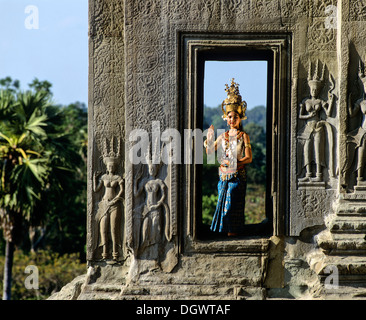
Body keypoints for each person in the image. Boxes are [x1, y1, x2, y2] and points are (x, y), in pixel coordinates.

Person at [205, 78, 252, 236]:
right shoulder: (223, 136)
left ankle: (233, 232)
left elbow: (249, 158)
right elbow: (210, 153)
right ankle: (222, 232)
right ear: (226, 119)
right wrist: (210, 139)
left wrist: (236, 162)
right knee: (222, 204)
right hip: (223, 176)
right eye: (230, 117)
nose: (232, 120)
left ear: (240, 119)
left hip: (237, 176)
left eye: (235, 117)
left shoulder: (243, 136)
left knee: (232, 203)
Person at [93, 156, 124, 260]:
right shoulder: (103, 177)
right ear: (107, 167)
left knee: (114, 229)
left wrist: (116, 198)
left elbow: (122, 190)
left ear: (115, 167)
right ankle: (104, 253)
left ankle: (116, 253)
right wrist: (94, 179)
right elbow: (96, 189)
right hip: (104, 203)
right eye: (109, 166)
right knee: (103, 229)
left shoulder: (118, 178)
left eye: (112, 166)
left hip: (114, 204)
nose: (111, 167)